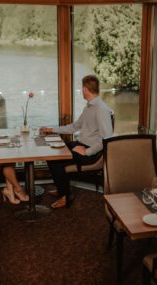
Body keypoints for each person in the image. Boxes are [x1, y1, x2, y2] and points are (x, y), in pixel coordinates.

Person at [40, 75, 114, 208]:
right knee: (52, 152)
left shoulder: (101, 109)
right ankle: (62, 189)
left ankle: (64, 196)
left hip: (91, 152)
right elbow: (74, 127)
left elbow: (107, 138)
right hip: (81, 145)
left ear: (85, 89)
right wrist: (52, 129)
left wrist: (87, 151)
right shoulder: (89, 108)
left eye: (82, 88)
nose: (81, 91)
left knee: (56, 159)